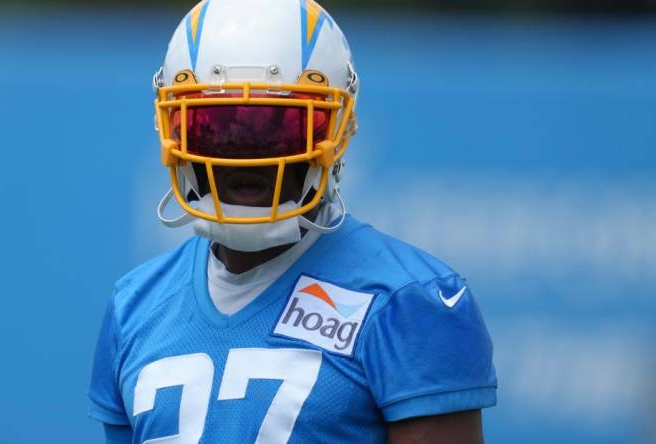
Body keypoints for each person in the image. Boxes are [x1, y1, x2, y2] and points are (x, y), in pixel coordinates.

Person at [87, 0, 497, 443]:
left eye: (279, 128)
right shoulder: (135, 304)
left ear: (334, 134)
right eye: (215, 128)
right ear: (174, 131)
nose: (247, 153)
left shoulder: (408, 301)